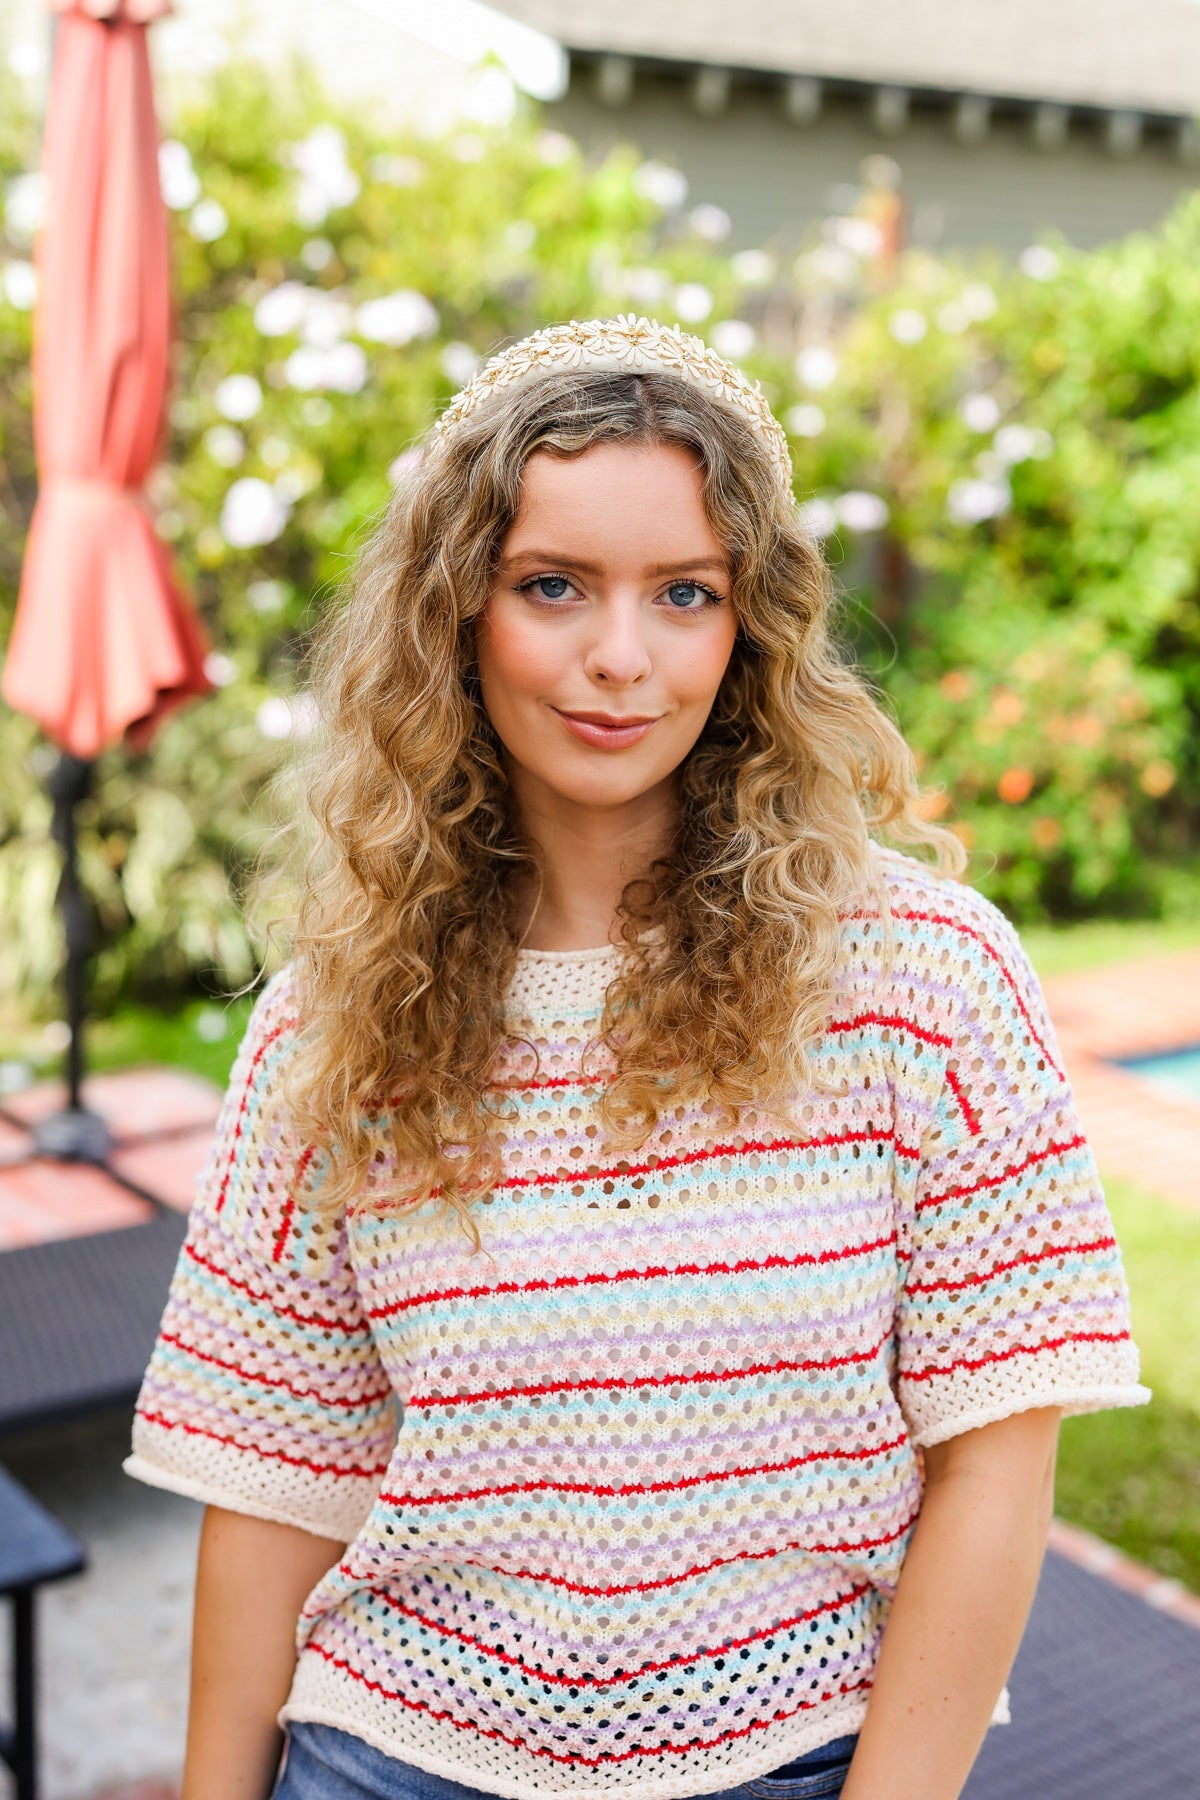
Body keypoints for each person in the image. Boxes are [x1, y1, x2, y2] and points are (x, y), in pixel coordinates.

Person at [125, 315, 1148, 1800]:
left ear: (751, 629)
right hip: (390, 1761)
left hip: (800, 1764)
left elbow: (996, 1457)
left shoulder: (927, 982)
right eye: (553, 587)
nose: (622, 657)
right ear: (457, 612)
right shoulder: (333, 1022)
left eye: (685, 593)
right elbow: (272, 1480)